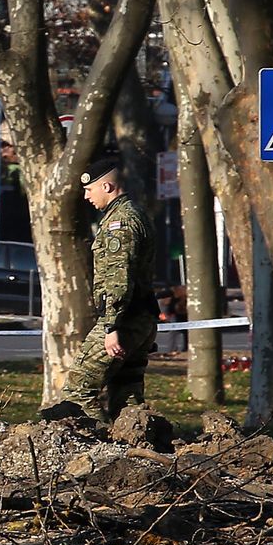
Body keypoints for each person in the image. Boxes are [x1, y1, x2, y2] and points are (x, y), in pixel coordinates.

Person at [63, 155, 160, 421]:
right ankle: (135, 445)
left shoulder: (120, 222)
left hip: (124, 320)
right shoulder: (132, 214)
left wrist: (110, 327)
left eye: (89, 189)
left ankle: (98, 444)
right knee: (127, 394)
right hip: (139, 317)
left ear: (106, 187)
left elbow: (119, 278)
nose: (86, 197)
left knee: (77, 392)